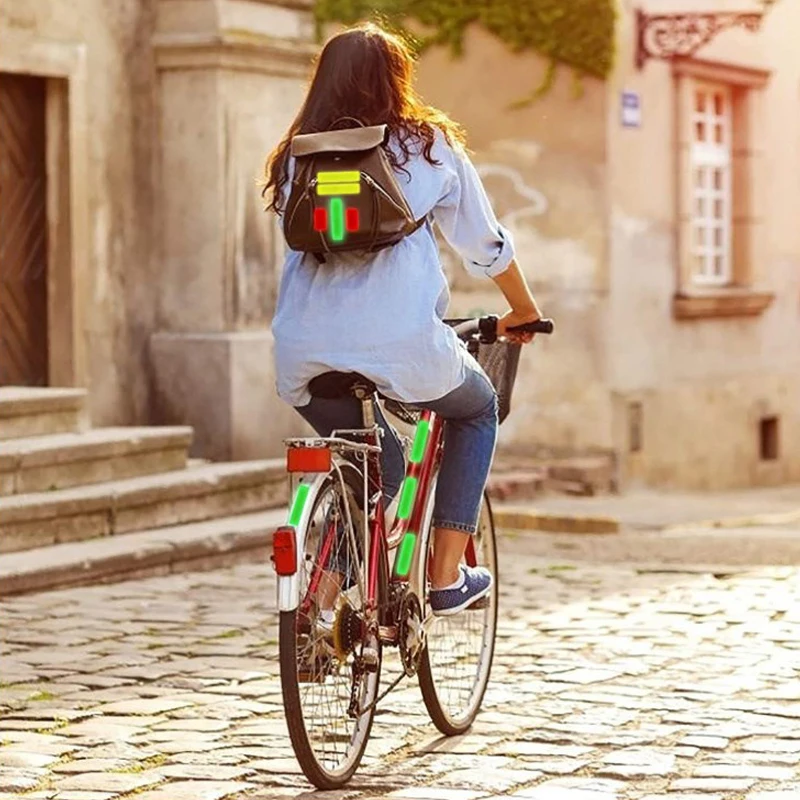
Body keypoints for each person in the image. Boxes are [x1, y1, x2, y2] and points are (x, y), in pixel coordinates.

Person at [264, 22, 543, 617]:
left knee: (370, 471)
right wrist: (523, 309)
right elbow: (485, 244)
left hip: (302, 353)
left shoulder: (296, 155)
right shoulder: (428, 145)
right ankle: (445, 578)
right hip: (401, 344)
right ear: (396, 81)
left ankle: (320, 606)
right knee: (476, 410)